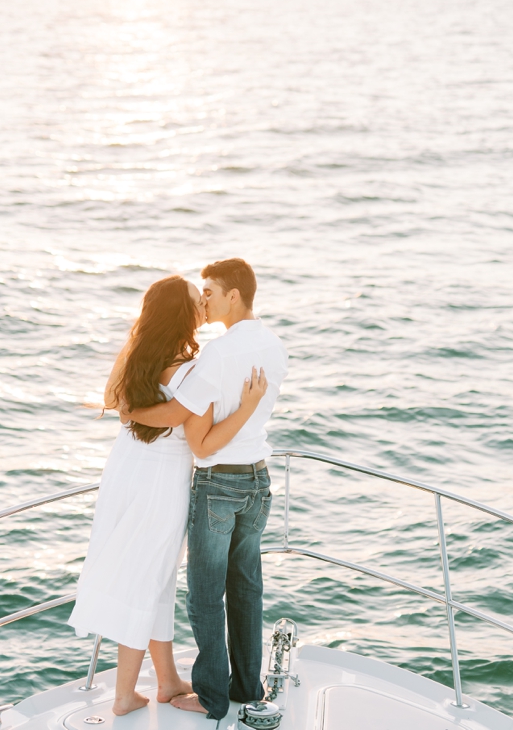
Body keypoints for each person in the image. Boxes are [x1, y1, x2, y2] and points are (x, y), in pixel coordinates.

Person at [68, 274, 269, 717]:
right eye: (198, 302)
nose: (203, 307)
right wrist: (250, 407)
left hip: (125, 470)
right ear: (183, 314)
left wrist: (128, 411)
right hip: (161, 481)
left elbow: (110, 396)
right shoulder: (189, 369)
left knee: (155, 579)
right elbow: (184, 416)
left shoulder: (138, 354)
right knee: (147, 579)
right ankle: (124, 694)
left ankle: (166, 681)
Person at [122, 258, 288, 719]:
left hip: (219, 483)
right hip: (259, 481)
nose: (205, 299)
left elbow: (189, 429)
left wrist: (130, 413)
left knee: (203, 596)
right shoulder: (275, 346)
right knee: (246, 588)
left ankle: (213, 698)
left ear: (234, 295)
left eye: (211, 291)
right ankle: (246, 687)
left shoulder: (217, 355)